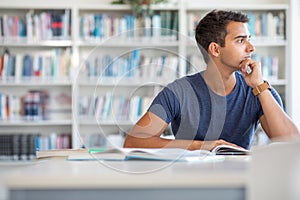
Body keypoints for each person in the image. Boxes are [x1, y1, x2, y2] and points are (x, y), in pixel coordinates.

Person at [123, 10, 299, 151]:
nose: (251, 48)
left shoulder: (258, 89)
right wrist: (199, 146)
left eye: (249, 40)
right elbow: (133, 141)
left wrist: (260, 87)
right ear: (215, 49)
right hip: (191, 181)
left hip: (241, 181)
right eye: (240, 40)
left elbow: (292, 143)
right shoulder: (178, 92)